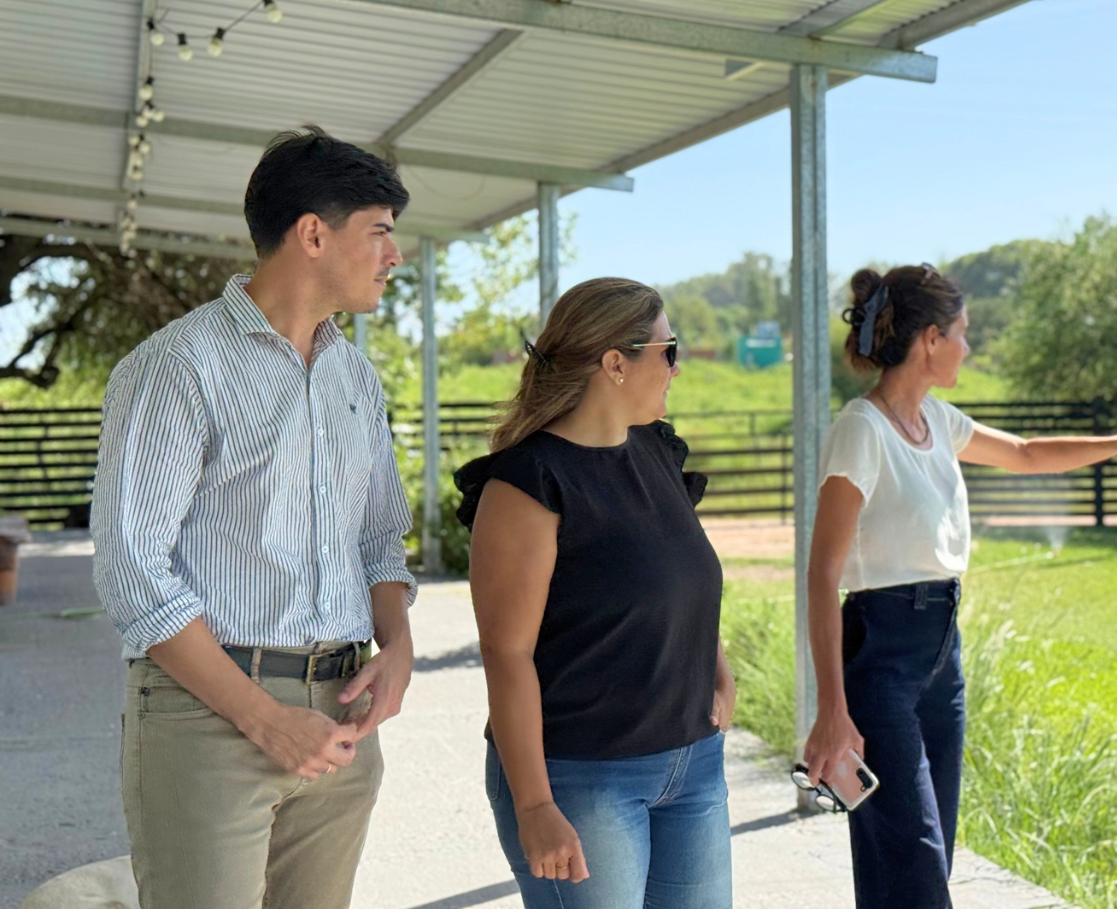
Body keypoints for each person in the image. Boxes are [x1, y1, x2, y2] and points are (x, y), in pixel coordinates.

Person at [802, 264, 1117, 908]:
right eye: (964, 333)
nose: (970, 347)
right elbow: (824, 574)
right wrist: (831, 709)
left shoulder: (936, 422)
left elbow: (1025, 453)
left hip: (942, 656)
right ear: (931, 339)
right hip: (881, 656)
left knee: (920, 859)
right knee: (914, 861)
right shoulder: (863, 428)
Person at [91, 126, 418, 909]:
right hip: (208, 722)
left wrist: (398, 645)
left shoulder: (353, 376)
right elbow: (134, 572)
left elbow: (378, 536)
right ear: (313, 233)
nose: (394, 257)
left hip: (340, 720)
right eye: (380, 232)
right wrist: (265, 718)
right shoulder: (176, 367)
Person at [454, 277, 736, 909]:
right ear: (616, 361)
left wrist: (718, 672)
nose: (676, 367)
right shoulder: (528, 484)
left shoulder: (656, 452)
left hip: (692, 765)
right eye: (670, 349)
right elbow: (506, 654)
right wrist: (533, 804)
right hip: (581, 779)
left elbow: (682, 583)